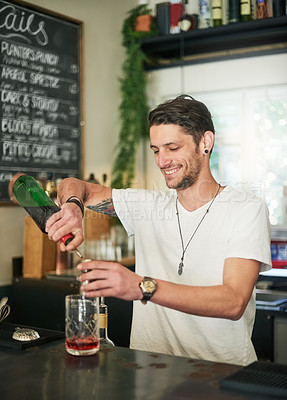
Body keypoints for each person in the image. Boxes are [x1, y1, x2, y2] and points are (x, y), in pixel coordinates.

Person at [46, 95, 271, 366]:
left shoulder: (245, 208)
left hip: (222, 378)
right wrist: (73, 206)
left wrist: (142, 287)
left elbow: (233, 301)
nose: (162, 161)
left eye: (172, 148)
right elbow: (75, 184)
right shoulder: (147, 206)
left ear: (205, 143)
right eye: (155, 150)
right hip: (152, 376)